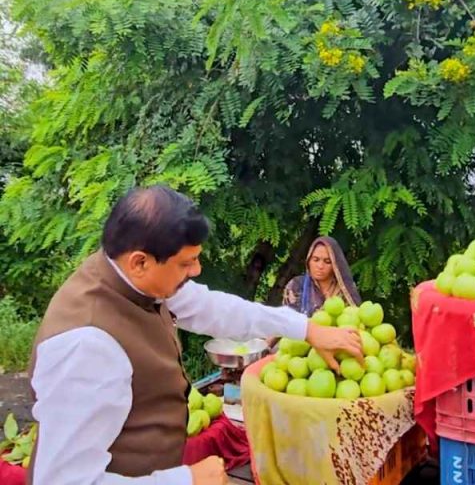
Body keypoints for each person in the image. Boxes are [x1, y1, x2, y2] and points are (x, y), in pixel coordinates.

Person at [26, 186, 364, 485]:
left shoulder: (132, 276)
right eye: (186, 263)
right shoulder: (87, 345)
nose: (196, 271)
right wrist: (185, 479)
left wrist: (307, 329)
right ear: (140, 262)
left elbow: (213, 308)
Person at [282, 236, 361, 316]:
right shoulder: (296, 285)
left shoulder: (345, 289)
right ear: (308, 260)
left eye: (327, 262)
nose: (320, 266)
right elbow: (288, 321)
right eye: (315, 260)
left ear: (335, 265)